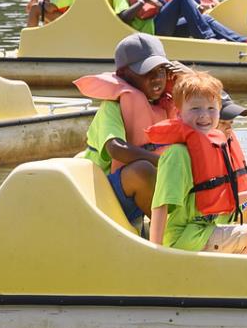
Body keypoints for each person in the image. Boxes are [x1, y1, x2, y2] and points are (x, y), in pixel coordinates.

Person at [147, 70, 247, 255]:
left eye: (211, 108)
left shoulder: (216, 146)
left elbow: (213, 199)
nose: (204, 115)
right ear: (179, 113)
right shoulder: (177, 155)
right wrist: (155, 252)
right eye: (195, 108)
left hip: (205, 230)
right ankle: (234, 283)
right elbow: (160, 206)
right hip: (184, 238)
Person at [76, 32, 181, 229]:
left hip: (141, 191)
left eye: (161, 71)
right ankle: (169, 238)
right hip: (102, 192)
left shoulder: (166, 104)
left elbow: (209, 114)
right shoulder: (112, 107)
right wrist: (164, 162)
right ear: (124, 75)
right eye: (146, 72)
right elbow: (116, 149)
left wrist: (186, 79)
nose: (156, 78)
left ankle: (186, 227)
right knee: (142, 170)